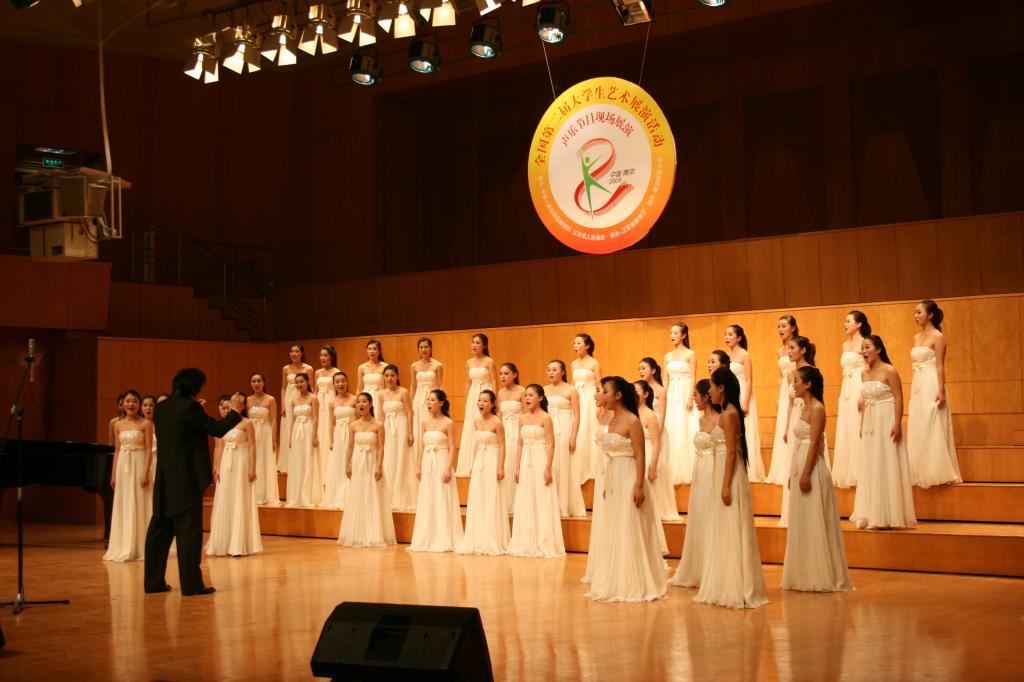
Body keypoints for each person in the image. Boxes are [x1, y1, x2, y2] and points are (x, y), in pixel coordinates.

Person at [144, 368, 240, 595]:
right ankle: (191, 585)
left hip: (165, 479)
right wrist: (235, 411)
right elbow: (217, 429)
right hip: (186, 479)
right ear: (194, 387)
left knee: (158, 533)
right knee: (188, 534)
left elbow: (181, 430)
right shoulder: (190, 408)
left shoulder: (162, 408)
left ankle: (153, 582)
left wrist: (196, 407)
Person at [585, 376, 667, 602]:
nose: (602, 395)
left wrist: (639, 485)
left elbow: (640, 455)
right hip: (614, 478)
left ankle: (636, 582)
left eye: (605, 391)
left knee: (631, 527)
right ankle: (616, 579)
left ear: (618, 395)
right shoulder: (611, 420)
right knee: (616, 527)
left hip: (630, 477)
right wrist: (607, 483)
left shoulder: (632, 420)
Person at [693, 367, 768, 609]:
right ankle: (725, 580)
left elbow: (733, 452)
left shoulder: (729, 414)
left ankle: (735, 585)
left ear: (721, 388)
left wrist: (725, 485)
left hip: (730, 475)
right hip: (723, 473)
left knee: (732, 525)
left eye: (712, 387)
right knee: (724, 526)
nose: (710, 392)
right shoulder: (728, 412)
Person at [782, 367, 852, 593]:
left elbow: (814, 443)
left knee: (815, 519)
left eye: (796, 381)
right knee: (802, 521)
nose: (793, 385)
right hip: (800, 463)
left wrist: (805, 473)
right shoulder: (802, 407)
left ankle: (821, 575)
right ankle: (803, 573)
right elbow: (799, 443)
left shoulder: (818, 409)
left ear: (808, 384)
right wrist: (793, 472)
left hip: (812, 468)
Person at [850, 336, 916, 530]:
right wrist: (862, 424)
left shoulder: (889, 370)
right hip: (870, 423)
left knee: (886, 462)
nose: (863, 351)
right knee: (871, 464)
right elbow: (865, 401)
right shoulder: (864, 373)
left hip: (886, 420)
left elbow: (898, 397)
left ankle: (889, 514)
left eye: (867, 347)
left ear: (878, 349)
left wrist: (897, 423)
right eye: (862, 348)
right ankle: (871, 513)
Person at [669, 379, 719, 588]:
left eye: (696, 396)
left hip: (712, 470)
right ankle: (698, 567)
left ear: (707, 397)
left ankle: (713, 568)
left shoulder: (720, 419)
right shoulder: (701, 420)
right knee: (698, 514)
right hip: (699, 470)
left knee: (710, 515)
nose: (694, 400)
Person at [907, 299, 962, 487]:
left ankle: (936, 471)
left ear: (930, 314)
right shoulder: (916, 337)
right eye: (915, 312)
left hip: (931, 382)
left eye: (919, 312)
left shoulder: (938, 337)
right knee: (919, 423)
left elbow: (939, 365)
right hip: (918, 382)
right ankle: (919, 470)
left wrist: (940, 390)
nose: (916, 316)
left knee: (932, 422)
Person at [507, 384, 565, 558]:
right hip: (526, 463)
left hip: (540, 461)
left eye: (531, 395)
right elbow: (519, 444)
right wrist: (517, 467)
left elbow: (551, 444)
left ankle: (544, 541)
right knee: (526, 497)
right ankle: (526, 541)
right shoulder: (522, 418)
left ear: (540, 398)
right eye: (525, 395)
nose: (527, 398)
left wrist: (548, 467)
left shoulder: (546, 418)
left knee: (542, 497)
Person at [206, 394, 262, 557]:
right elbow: (218, 447)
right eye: (225, 406)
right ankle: (223, 542)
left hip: (241, 462)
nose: (227, 409)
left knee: (239, 497)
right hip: (226, 464)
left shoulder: (247, 423)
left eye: (230, 404)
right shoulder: (221, 425)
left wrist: (253, 467)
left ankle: (239, 543)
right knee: (226, 497)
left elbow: (252, 446)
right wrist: (216, 467)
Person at [408, 390, 464, 552]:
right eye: (428, 400)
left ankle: (443, 537)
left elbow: (452, 447)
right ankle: (428, 536)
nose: (429, 403)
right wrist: (418, 465)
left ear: (441, 403)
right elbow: (421, 446)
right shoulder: (425, 422)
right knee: (428, 496)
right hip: (427, 463)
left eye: (432, 400)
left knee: (442, 496)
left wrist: (448, 468)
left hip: (441, 461)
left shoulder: (448, 423)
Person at [338, 393, 396, 548]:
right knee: (358, 493)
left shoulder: (378, 425)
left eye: (364, 402)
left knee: (373, 494)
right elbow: (350, 446)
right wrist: (347, 465)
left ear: (370, 404)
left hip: (372, 463)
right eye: (358, 402)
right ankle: (358, 534)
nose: (360, 405)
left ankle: (373, 534)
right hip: (358, 464)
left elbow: (381, 447)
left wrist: (379, 466)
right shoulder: (353, 425)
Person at [455, 390, 510, 555]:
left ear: (492, 404)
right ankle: (477, 538)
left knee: (492, 495)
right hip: (480, 460)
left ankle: (492, 538)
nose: (481, 403)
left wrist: (501, 466)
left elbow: (502, 445)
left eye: (485, 401)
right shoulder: (476, 421)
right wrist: (473, 463)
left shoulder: (497, 422)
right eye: (479, 400)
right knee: (478, 496)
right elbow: (476, 444)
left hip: (492, 460)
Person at [104, 390, 154, 562]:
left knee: (139, 501)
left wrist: (146, 472)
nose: (131, 404)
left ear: (139, 404)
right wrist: (113, 475)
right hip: (123, 467)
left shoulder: (146, 424)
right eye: (128, 401)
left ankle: (140, 545)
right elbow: (117, 451)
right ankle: (123, 544)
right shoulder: (117, 425)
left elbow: (149, 450)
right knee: (125, 503)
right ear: (122, 404)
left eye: (135, 401)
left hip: (139, 464)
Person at [833, 310, 870, 487]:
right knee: (847, 424)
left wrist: (863, 394)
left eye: (848, 321)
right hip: (846, 387)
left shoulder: (865, 343)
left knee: (858, 423)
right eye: (845, 321)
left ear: (859, 324)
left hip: (859, 384)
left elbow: (868, 369)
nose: (845, 324)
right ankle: (847, 470)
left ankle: (861, 471)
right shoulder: (844, 345)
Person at [544, 359, 585, 518]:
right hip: (548, 429)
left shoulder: (571, 390)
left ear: (562, 372)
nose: (551, 372)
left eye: (554, 369)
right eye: (549, 370)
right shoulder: (544, 390)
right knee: (550, 463)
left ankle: (563, 505)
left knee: (564, 464)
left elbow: (577, 415)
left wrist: (573, 436)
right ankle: (550, 503)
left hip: (564, 429)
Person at [725, 324, 765, 481]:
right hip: (731, 393)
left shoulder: (744, 355)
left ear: (739, 337)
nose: (727, 337)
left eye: (730, 334)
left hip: (742, 392)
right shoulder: (728, 355)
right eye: (725, 334)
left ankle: (749, 467)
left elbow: (749, 380)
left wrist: (746, 402)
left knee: (744, 428)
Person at [455, 333, 496, 477]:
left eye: (478, 343)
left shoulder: (489, 361)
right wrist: (467, 402)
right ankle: (468, 464)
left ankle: (483, 462)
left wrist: (494, 400)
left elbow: (494, 381)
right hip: (473, 396)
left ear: (484, 345)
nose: (474, 345)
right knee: (471, 426)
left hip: (486, 392)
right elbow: (468, 383)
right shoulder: (469, 362)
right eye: (473, 342)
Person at [664, 322, 699, 485]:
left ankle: (690, 467)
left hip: (685, 391)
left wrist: (690, 397)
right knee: (673, 426)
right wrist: (663, 397)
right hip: (672, 394)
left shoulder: (690, 354)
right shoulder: (667, 356)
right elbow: (665, 380)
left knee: (687, 425)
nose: (672, 335)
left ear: (683, 335)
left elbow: (693, 376)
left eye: (675, 333)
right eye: (671, 333)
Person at [768, 315, 799, 486]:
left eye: (784, 326)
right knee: (783, 427)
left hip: (797, 387)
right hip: (784, 391)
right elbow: (780, 376)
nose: (780, 329)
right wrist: (778, 396)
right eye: (778, 326)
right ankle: (782, 469)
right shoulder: (780, 351)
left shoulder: (798, 346)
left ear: (793, 328)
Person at [572, 333, 601, 482]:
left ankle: (592, 466)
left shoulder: (594, 363)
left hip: (589, 399)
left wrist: (600, 403)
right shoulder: (573, 364)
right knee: (578, 428)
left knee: (589, 428)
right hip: (577, 397)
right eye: (574, 343)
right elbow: (572, 385)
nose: (575, 346)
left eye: (578, 343)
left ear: (587, 346)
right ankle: (578, 466)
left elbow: (598, 384)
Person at [247, 373, 280, 506]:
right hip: (252, 433)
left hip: (266, 433)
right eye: (253, 381)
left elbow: (274, 420)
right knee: (254, 461)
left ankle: (267, 494)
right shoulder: (247, 400)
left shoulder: (270, 399)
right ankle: (254, 494)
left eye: (259, 381)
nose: (256, 384)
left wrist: (273, 439)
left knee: (266, 461)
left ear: (263, 383)